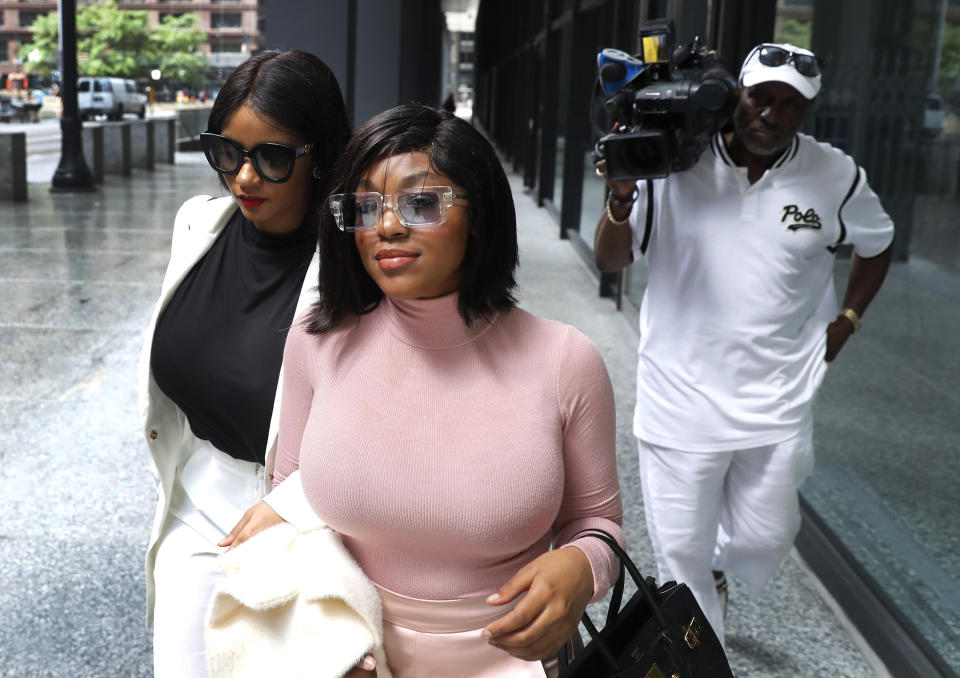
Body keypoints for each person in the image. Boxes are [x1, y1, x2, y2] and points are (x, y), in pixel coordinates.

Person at [223, 104, 626, 677]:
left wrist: (582, 568)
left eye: (420, 202)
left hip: (514, 663)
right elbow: (295, 512)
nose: (385, 226)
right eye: (365, 207)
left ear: (479, 214)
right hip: (352, 657)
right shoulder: (317, 343)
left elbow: (599, 524)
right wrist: (316, 633)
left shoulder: (564, 359)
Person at [593, 43, 894, 642]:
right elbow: (611, 257)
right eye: (760, 98)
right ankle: (708, 643)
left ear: (807, 112)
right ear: (737, 96)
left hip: (779, 399)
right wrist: (622, 196)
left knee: (764, 539)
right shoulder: (676, 164)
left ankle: (718, 572)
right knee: (680, 554)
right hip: (678, 399)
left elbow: (877, 241)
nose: (771, 116)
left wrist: (848, 319)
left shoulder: (836, 175)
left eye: (790, 105)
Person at [138, 49, 350, 677]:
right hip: (193, 501)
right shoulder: (198, 224)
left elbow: (395, 419)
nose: (245, 178)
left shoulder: (354, 267)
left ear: (322, 157)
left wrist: (299, 504)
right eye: (227, 153)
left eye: (273, 157)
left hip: (308, 522)